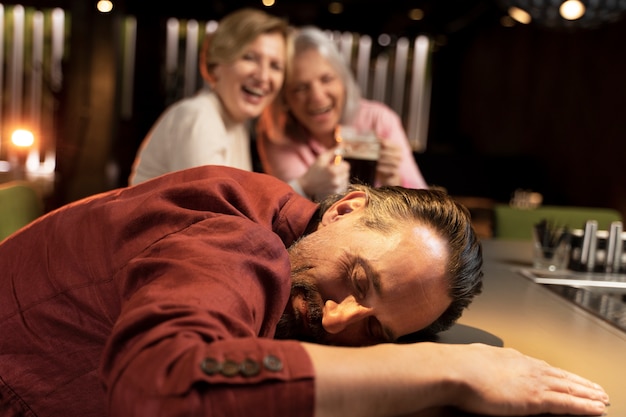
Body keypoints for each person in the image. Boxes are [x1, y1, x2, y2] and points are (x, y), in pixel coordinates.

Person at [0, 165, 609, 417]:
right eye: (360, 281)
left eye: (375, 327)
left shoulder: (273, 211)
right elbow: (164, 382)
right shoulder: (243, 243)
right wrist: (443, 366)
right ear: (347, 208)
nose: (341, 318)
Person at [256, 26, 429, 201]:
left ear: (344, 80)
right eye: (300, 88)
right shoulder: (275, 132)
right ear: (284, 98)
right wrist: (306, 185)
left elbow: (426, 206)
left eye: (327, 79)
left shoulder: (380, 120)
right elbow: (286, 212)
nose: (317, 97)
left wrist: (395, 184)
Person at [128, 8, 289, 185]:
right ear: (215, 64)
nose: (263, 77)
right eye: (249, 58)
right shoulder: (199, 116)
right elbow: (215, 207)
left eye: (275, 66)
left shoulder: (235, 124)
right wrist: (303, 185)